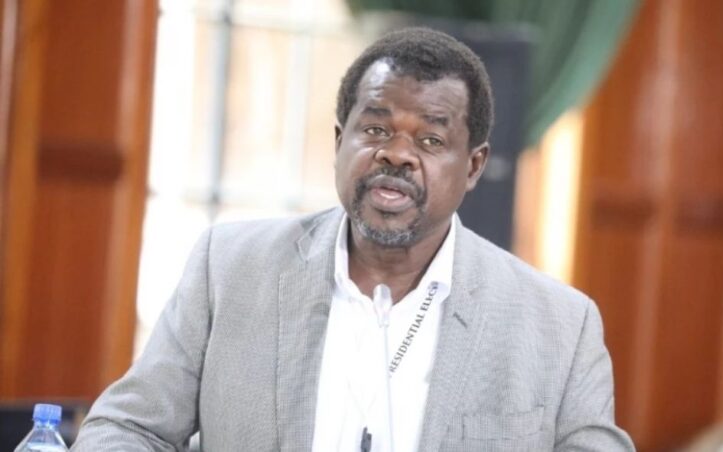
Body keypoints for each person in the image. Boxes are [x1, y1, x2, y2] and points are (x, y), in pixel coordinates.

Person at [72, 27, 634, 451]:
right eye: (375, 129)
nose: (396, 154)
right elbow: (126, 428)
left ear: (473, 166)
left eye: (431, 140)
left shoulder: (559, 325)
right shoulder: (229, 268)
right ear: (340, 141)